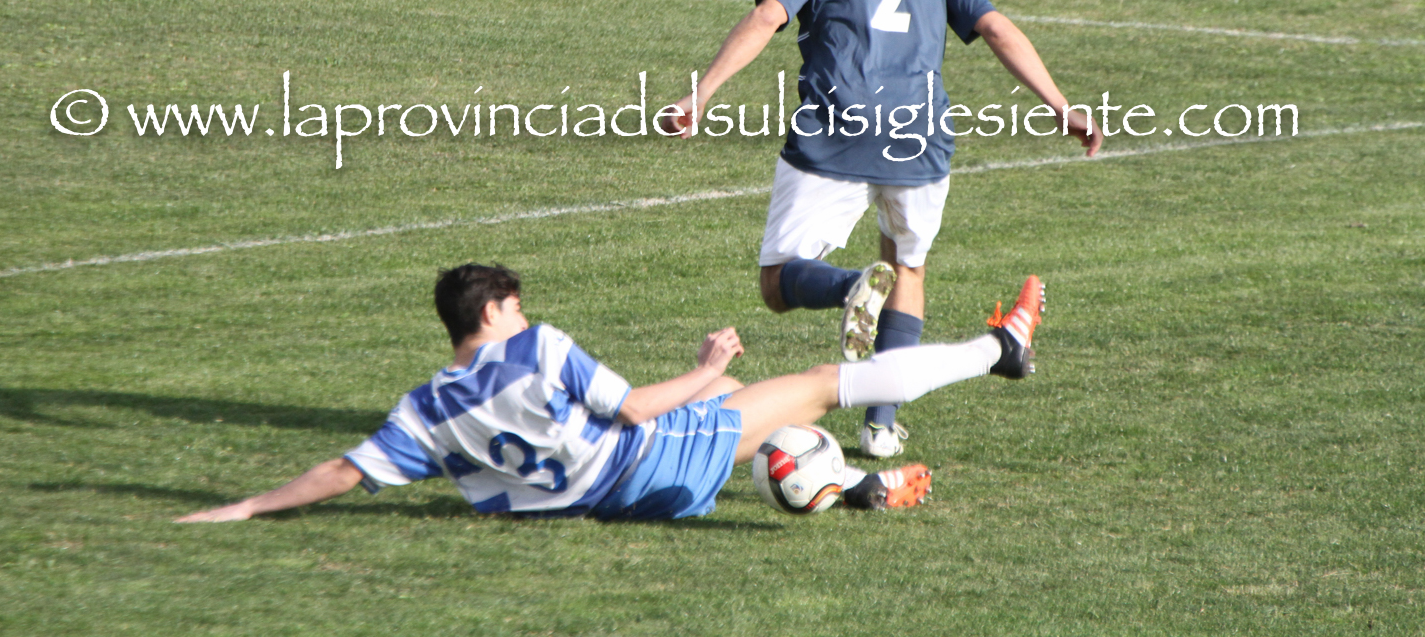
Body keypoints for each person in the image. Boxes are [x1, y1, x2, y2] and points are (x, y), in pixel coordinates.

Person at [662, 0, 1100, 458]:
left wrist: (700, 94)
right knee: (906, 268)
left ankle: (848, 287)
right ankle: (880, 427)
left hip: (835, 133)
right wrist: (1061, 105)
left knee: (778, 283)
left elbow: (766, 17)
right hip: (919, 138)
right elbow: (996, 27)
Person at [176, 263, 1046, 523]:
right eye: (516, 306)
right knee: (820, 385)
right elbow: (631, 410)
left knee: (739, 395)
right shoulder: (538, 347)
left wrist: (248, 504)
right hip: (642, 466)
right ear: (493, 312)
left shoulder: (425, 409)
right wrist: (701, 363)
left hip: (589, 498)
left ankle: (847, 484)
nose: (526, 315)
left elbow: (343, 471)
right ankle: (997, 349)